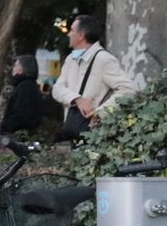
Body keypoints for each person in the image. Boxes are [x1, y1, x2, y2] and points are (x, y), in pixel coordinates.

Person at [51, 14, 138, 143]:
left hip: (95, 134)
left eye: (72, 31)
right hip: (73, 129)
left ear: (81, 36)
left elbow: (129, 90)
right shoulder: (71, 59)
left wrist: (100, 113)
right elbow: (57, 89)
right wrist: (77, 99)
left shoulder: (104, 59)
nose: (68, 34)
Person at [0, 55, 45, 136]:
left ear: (22, 69)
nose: (13, 68)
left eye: (16, 65)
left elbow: (22, 113)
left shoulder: (24, 87)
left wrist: (6, 126)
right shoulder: (29, 85)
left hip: (17, 134)